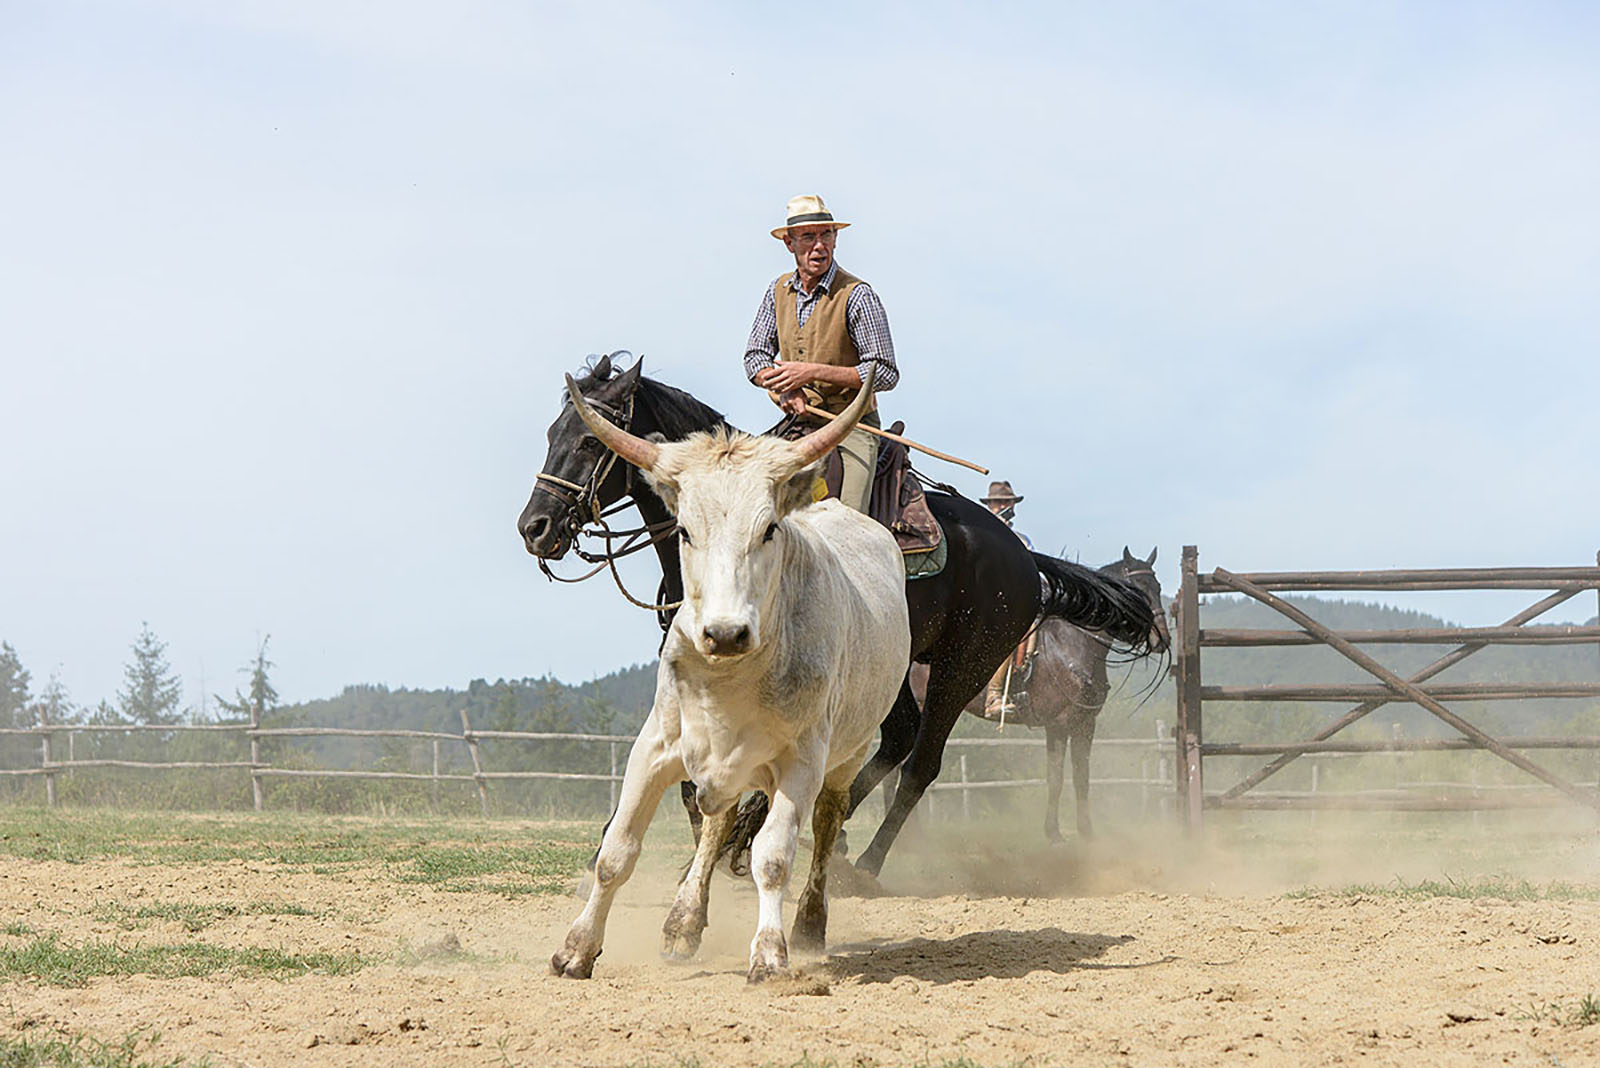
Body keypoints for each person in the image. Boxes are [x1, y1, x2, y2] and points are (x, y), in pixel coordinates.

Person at [743, 194, 899, 513]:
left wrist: (811, 372)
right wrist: (784, 387)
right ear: (789, 243)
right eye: (808, 237)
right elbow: (754, 357)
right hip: (798, 422)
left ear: (836, 238)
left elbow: (884, 373)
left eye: (826, 235)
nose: (819, 246)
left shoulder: (857, 295)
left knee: (849, 517)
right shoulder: (777, 291)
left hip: (852, 426)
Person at [981, 481, 1036, 717]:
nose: (1004, 505)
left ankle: (1019, 685)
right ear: (991, 505)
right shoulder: (983, 533)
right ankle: (993, 696)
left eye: (1008, 502)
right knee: (1008, 635)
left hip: (1019, 602)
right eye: (999, 502)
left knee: (1034, 635)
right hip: (987, 601)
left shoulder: (1023, 540)